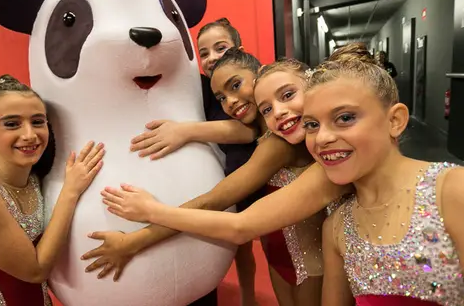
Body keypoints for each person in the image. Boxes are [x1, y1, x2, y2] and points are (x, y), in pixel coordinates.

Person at [305, 43, 464, 305]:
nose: (322, 138)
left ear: (395, 121)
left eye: (345, 118)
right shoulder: (336, 227)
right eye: (311, 124)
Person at [102, 54, 339, 306]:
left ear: (257, 77)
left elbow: (215, 203)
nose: (231, 101)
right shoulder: (266, 133)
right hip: (281, 258)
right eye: (221, 98)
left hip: (309, 264)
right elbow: (243, 132)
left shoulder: (279, 145)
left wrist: (135, 239)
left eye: (235, 85)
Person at [0, 75, 104, 305]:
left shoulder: (33, 180)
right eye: (12, 124)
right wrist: (70, 191)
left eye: (37, 122)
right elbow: (36, 271)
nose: (29, 135)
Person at [129, 17, 262, 305]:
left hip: (251, 172)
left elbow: (247, 130)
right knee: (240, 246)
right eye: (204, 53)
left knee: (254, 241)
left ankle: (250, 297)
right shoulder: (205, 87)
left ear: (239, 50)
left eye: (221, 48)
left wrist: (185, 131)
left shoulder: (248, 91)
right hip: (228, 170)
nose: (212, 57)